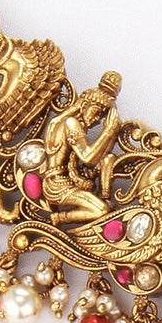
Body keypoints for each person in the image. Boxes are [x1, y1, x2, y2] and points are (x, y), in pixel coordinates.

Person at [42, 71, 122, 225]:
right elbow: (88, 158)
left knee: (109, 158)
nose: (96, 120)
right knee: (101, 211)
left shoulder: (71, 123)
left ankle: (104, 197)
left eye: (100, 117)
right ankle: (58, 218)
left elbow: (98, 157)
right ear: (85, 105)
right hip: (58, 184)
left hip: (73, 177)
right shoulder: (70, 123)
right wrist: (108, 131)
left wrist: (112, 133)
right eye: (96, 112)